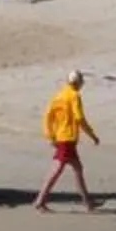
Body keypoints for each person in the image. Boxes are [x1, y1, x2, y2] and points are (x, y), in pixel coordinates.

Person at [35, 70, 104, 212]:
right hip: (68, 139)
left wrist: (50, 135)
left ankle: (88, 202)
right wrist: (92, 135)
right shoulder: (74, 95)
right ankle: (40, 201)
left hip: (61, 138)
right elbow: (79, 118)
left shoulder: (59, 95)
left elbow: (47, 116)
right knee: (58, 170)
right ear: (78, 83)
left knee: (76, 169)